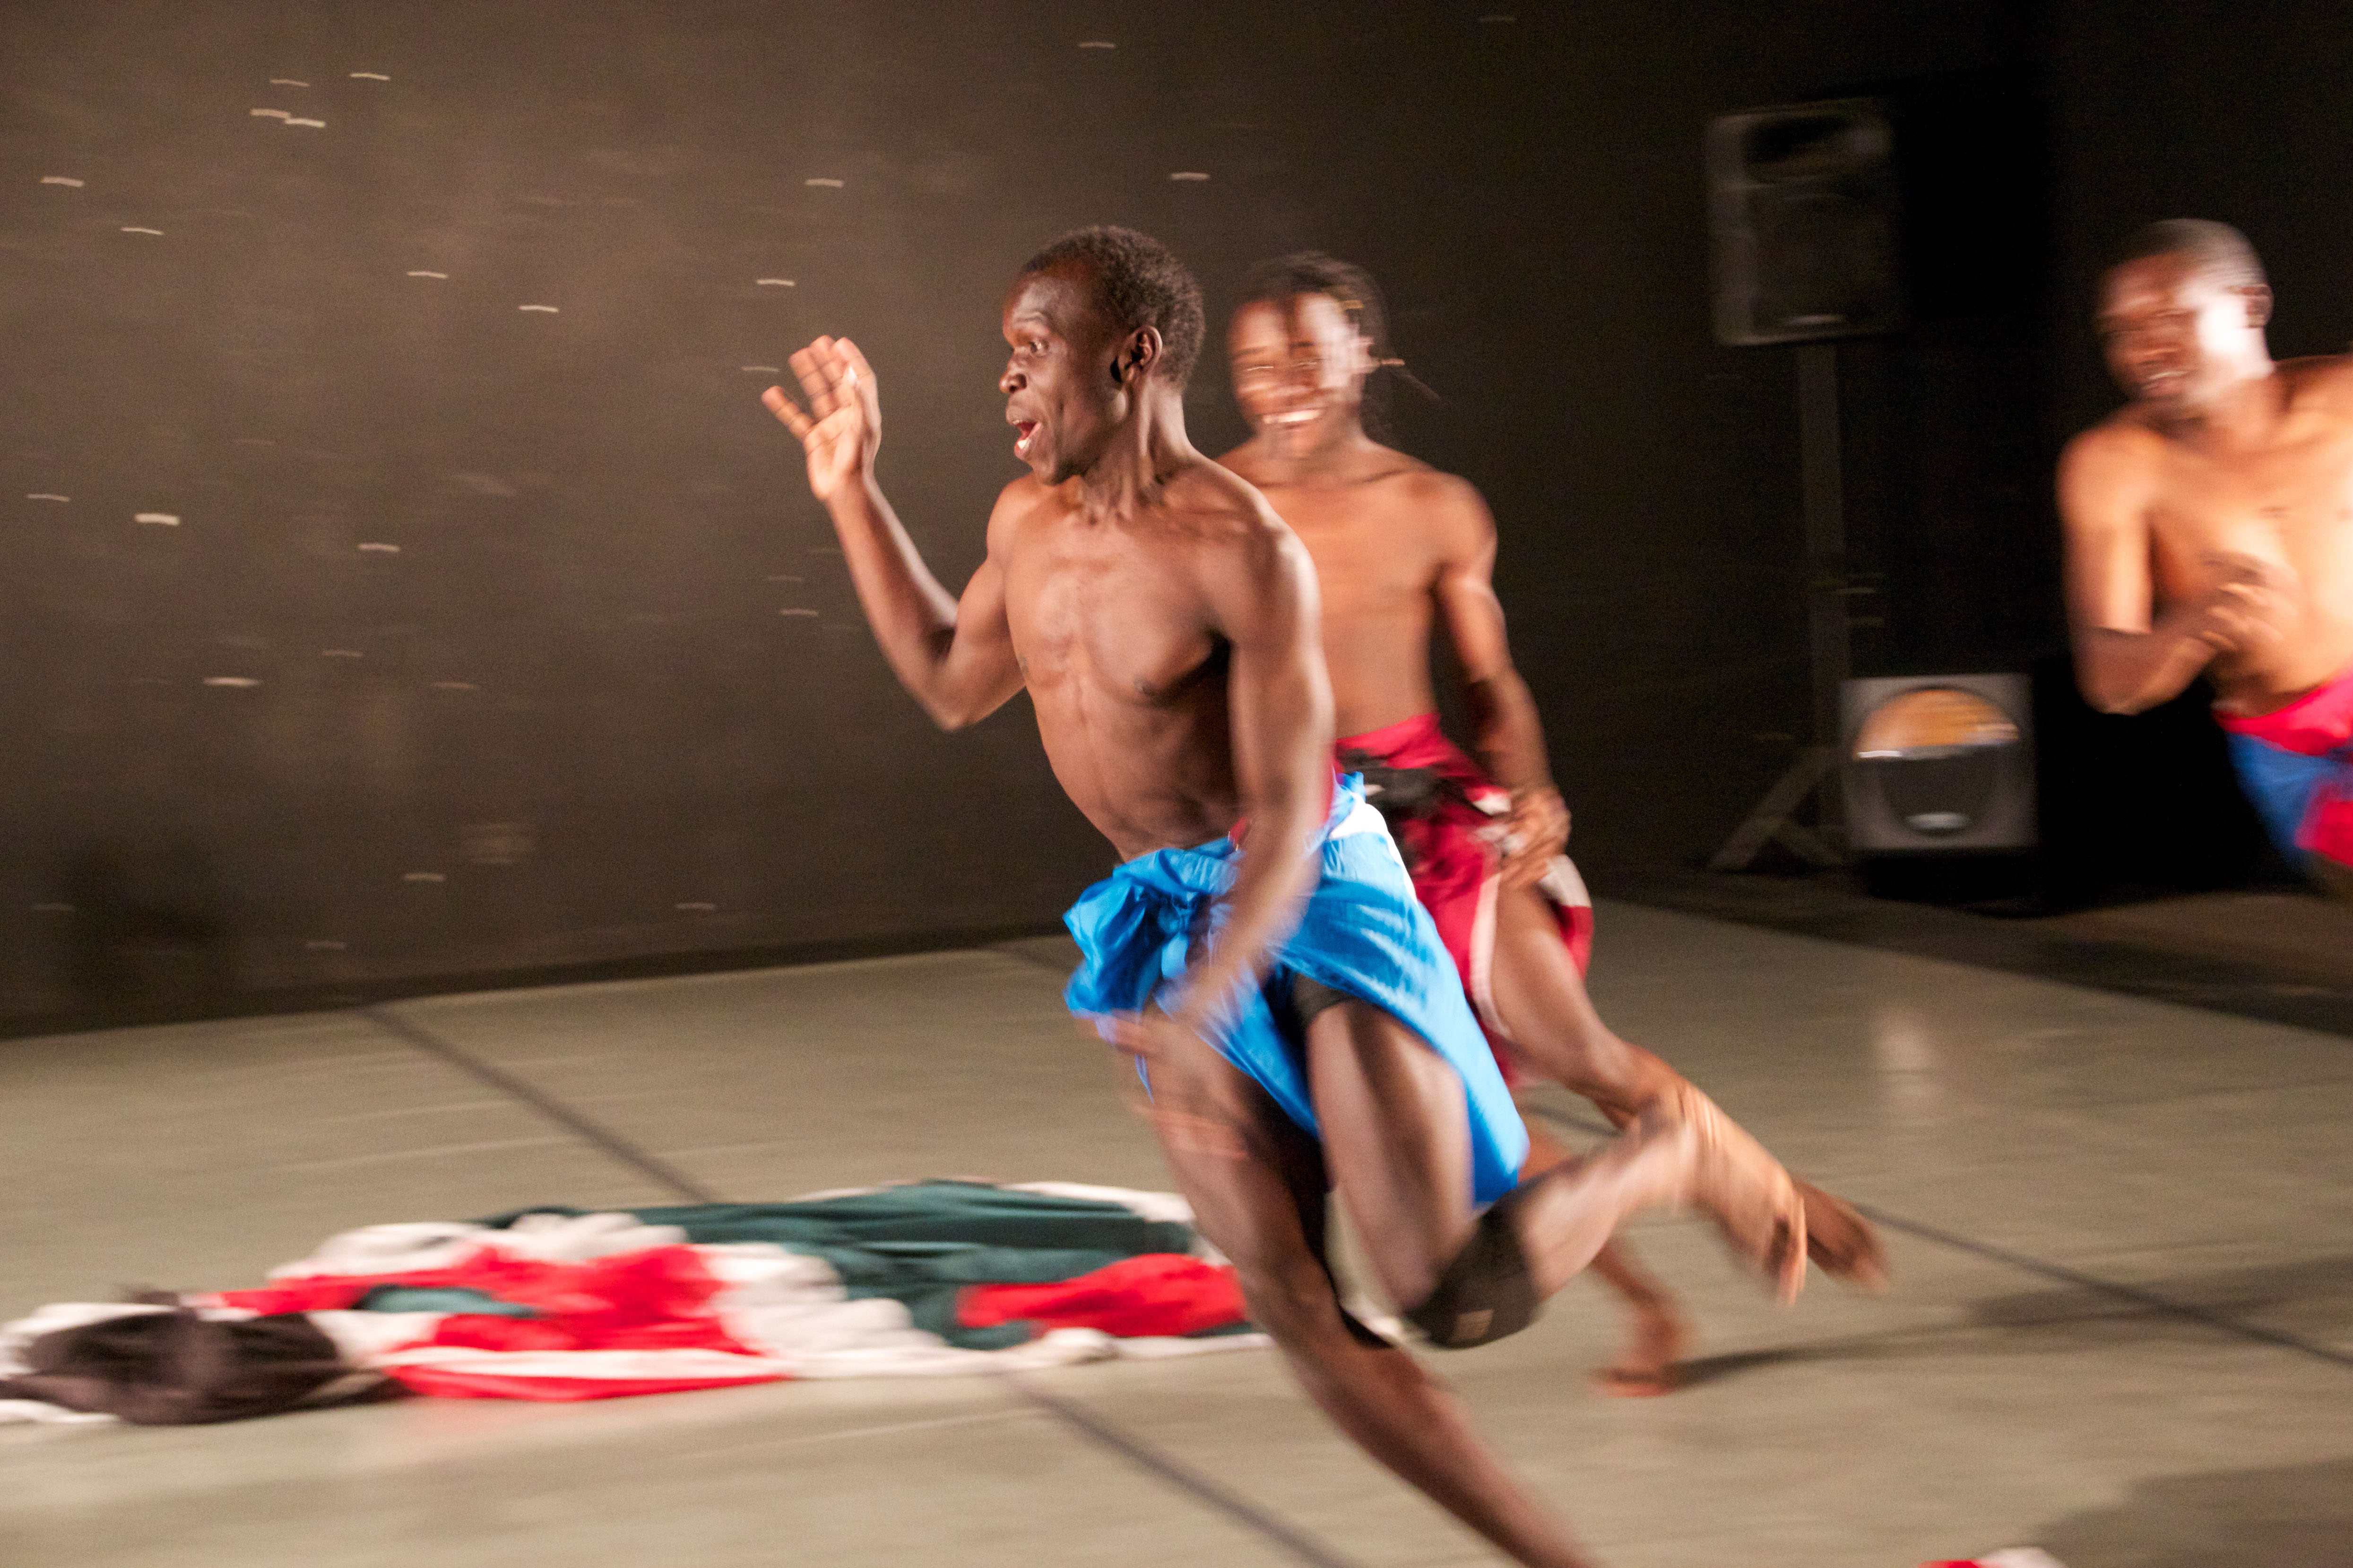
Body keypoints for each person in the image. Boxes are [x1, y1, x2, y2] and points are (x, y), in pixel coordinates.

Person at [765, 225, 1807, 1568]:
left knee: (1452, 1293)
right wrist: (852, 489)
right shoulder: (1023, 524)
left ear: (1131, 356)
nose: (1007, 379)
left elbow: (1292, 811)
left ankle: (1675, 1150)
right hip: (1172, 914)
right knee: (1294, 1301)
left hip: (1313, 895)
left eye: (1031, 349)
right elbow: (947, 679)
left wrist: (1213, 996)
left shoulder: (1237, 542)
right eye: (1005, 354)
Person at [1217, 254, 1889, 1394]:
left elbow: (1492, 684)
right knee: (1477, 1128)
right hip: (1300, 840)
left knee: (1576, 1053)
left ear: (1363, 356)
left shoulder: (1432, 504)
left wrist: (1531, 791)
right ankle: (1654, 1300)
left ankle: (1740, 1172)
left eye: (1304, 355)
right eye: (1252, 363)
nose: (1278, 381)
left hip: (1431, 818)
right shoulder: (1207, 506)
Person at [2060, 220, 2353, 896]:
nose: (2144, 350)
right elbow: (2109, 682)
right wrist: (2192, 625)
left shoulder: (2342, 400)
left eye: (2170, 318)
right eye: (2121, 332)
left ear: (2250, 305)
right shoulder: (2117, 465)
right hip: (2290, 745)